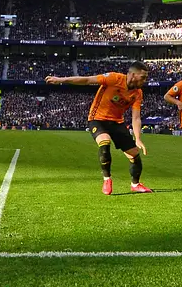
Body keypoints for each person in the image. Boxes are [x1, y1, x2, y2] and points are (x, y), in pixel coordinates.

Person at [46, 61, 153, 195]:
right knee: (105, 143)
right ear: (132, 75)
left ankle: (135, 184)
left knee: (134, 155)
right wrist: (61, 80)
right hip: (97, 119)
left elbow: (136, 117)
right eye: (143, 77)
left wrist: (138, 138)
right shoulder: (114, 78)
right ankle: (107, 179)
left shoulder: (138, 93)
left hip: (117, 122)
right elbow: (87, 80)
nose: (145, 80)